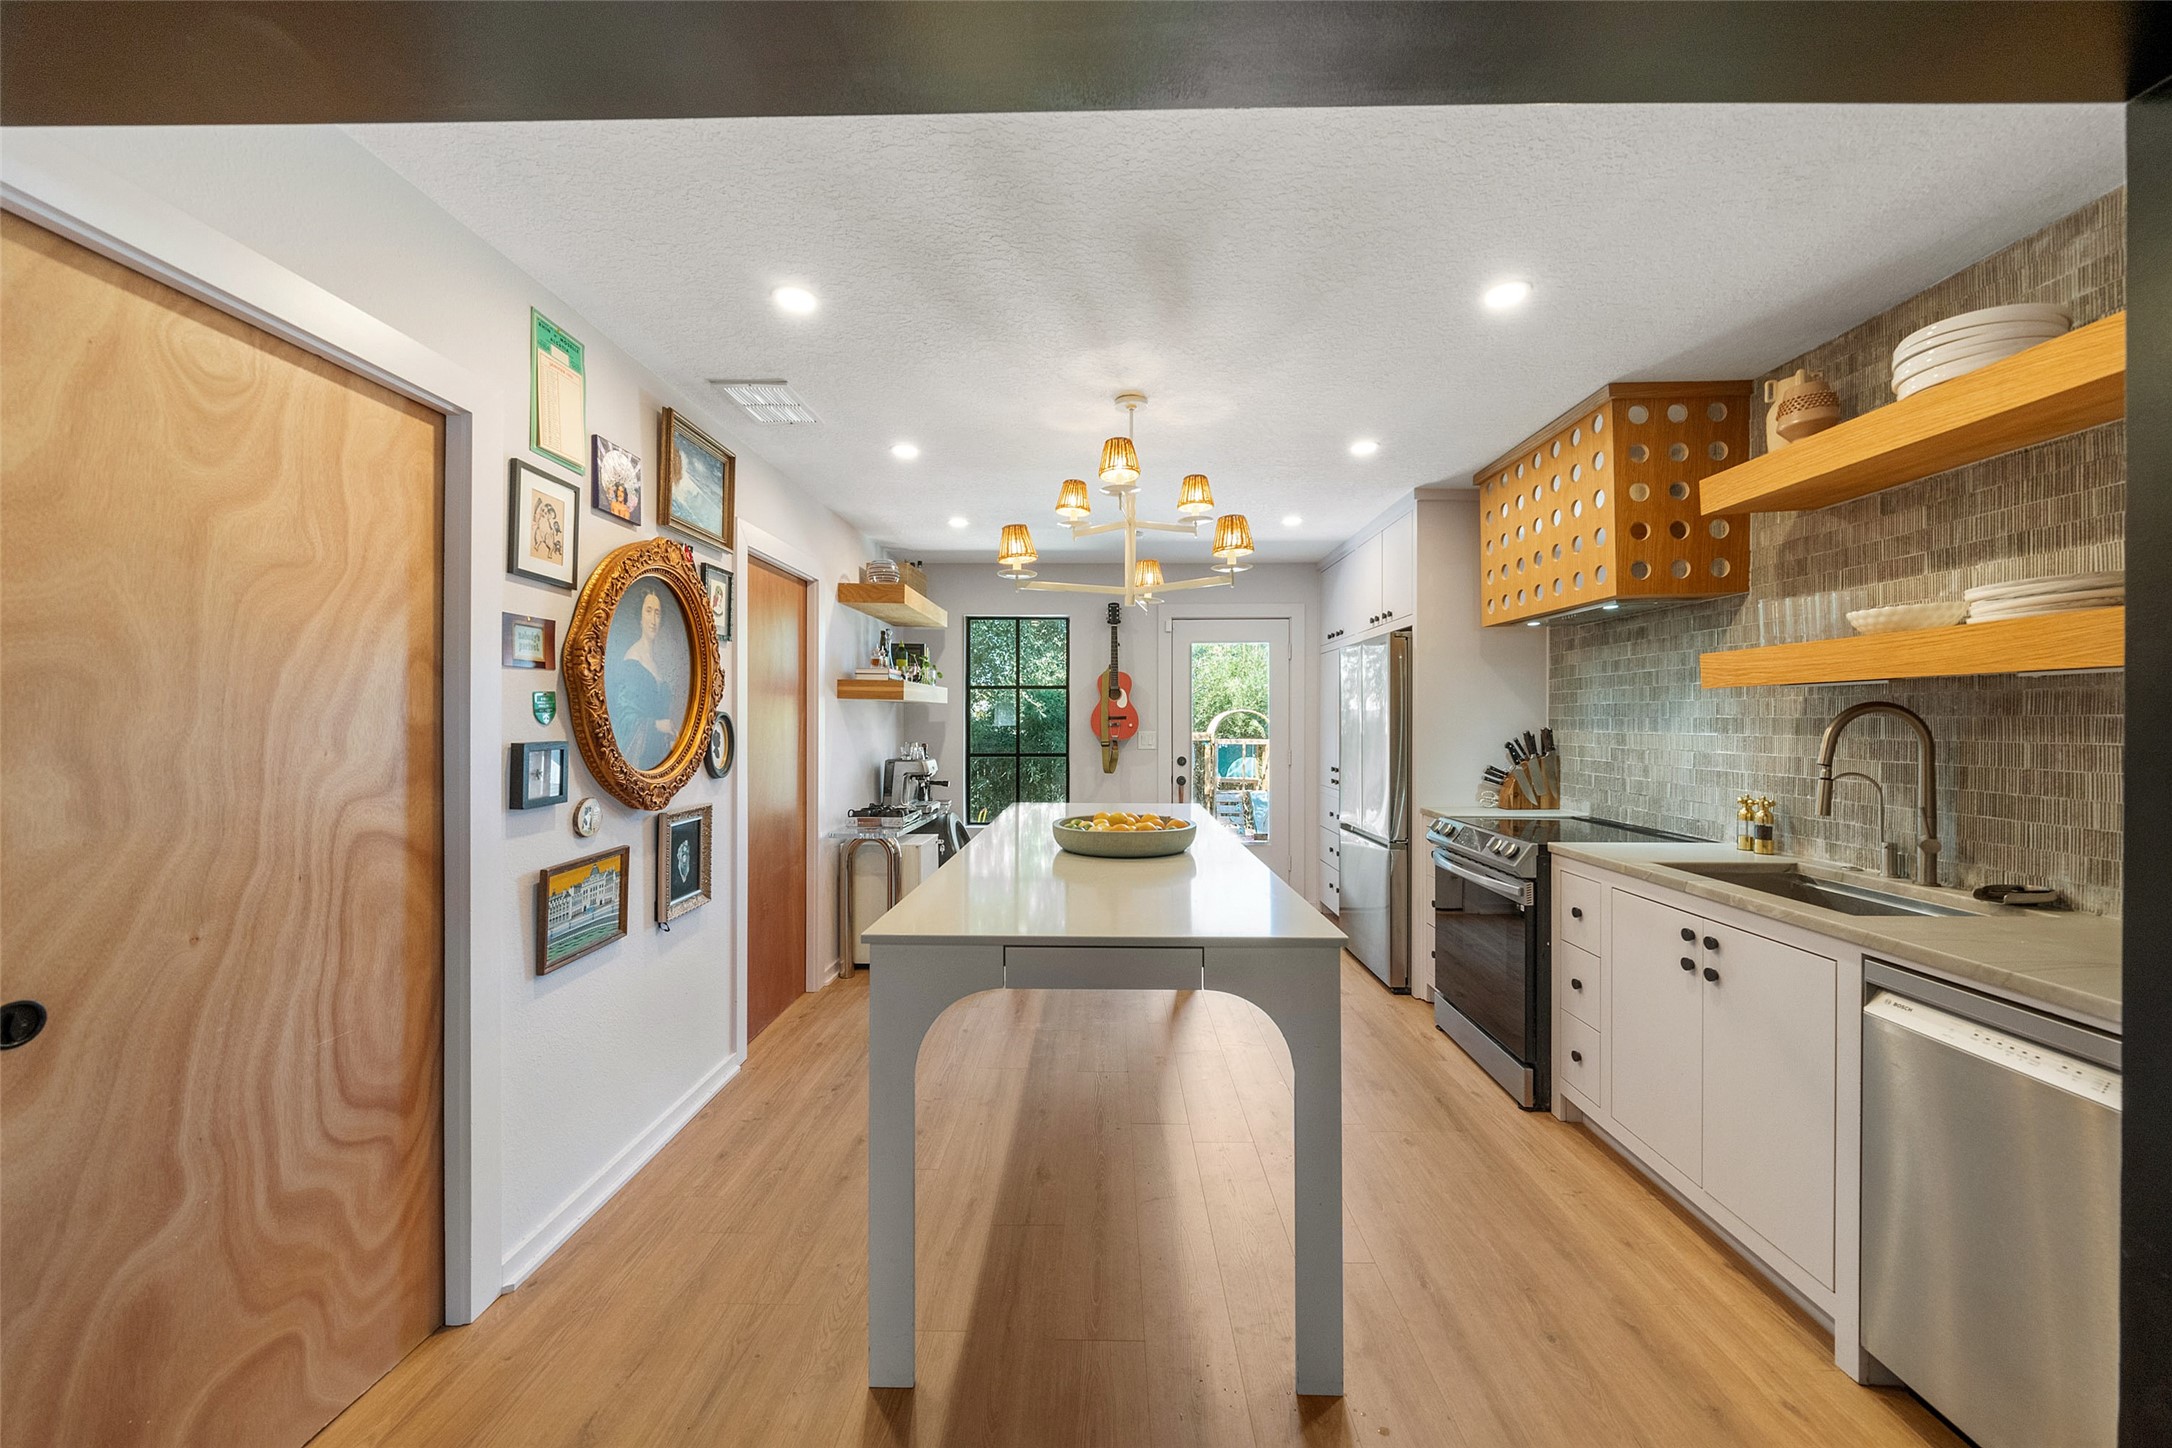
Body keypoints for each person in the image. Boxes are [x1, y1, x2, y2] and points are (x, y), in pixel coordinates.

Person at [610, 585, 681, 769]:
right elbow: (624, 719)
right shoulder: (632, 660)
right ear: (640, 617)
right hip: (640, 759)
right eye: (648, 611)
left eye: (657, 613)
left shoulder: (658, 661)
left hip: (660, 756)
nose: (653, 620)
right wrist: (658, 725)